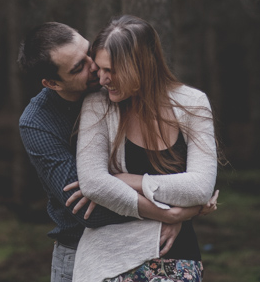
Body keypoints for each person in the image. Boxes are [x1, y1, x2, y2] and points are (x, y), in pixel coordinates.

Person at [18, 22, 205, 282]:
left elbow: (186, 170)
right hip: (79, 250)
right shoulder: (38, 123)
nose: (95, 66)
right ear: (52, 83)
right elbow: (88, 211)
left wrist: (189, 196)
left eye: (88, 52)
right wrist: (174, 213)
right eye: (78, 68)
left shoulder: (120, 88)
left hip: (150, 245)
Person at [69, 15, 219, 282]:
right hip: (108, 261)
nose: (102, 79)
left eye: (111, 70)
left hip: (175, 257)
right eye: (99, 69)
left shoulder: (193, 104)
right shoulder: (98, 105)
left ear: (142, 65)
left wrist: (129, 180)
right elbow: (93, 183)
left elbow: (200, 188)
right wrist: (174, 213)